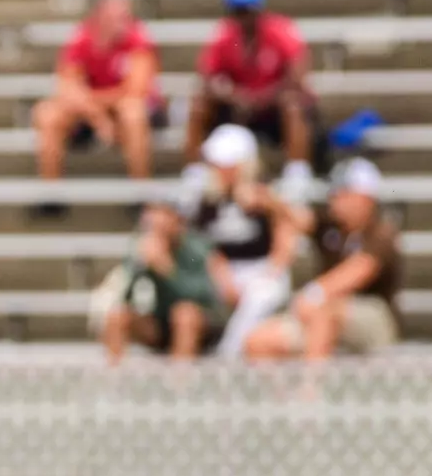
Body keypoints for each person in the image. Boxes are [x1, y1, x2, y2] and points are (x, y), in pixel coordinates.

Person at [244, 158, 403, 361]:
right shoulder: (331, 226)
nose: (335, 199)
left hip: (371, 315)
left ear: (365, 198)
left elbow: (357, 272)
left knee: (323, 313)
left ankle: (312, 380)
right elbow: (298, 219)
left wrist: (314, 294)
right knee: (260, 340)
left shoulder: (381, 232)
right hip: (321, 311)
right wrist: (269, 200)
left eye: (343, 193)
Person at [186, 0, 318, 200]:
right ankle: (194, 170)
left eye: (246, 11)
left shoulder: (280, 30)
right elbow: (207, 76)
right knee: (199, 104)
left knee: (293, 104)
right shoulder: (225, 34)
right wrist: (235, 96)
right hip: (237, 107)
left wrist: (265, 96)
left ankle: (297, 170)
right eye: (237, 12)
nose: (243, 18)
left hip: (273, 106)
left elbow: (297, 73)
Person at [189, 124, 298, 358]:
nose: (217, 168)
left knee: (262, 293)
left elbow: (299, 224)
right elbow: (203, 246)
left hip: (263, 268)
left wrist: (270, 203)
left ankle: (228, 354)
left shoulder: (265, 190)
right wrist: (222, 274)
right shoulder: (208, 197)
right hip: (224, 272)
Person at [33, 0, 162, 186]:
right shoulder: (82, 38)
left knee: (132, 112)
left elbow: (136, 90)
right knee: (46, 114)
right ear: (100, 17)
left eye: (125, 16)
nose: (124, 22)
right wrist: (99, 119)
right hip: (92, 111)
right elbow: (68, 87)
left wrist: (93, 105)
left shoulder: (137, 38)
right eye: (117, 17)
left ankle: (141, 189)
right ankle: (50, 192)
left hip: (125, 108)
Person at [103, 194, 226, 363]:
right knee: (117, 316)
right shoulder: (143, 246)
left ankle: (179, 377)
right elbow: (125, 296)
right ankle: (114, 376)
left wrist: (167, 270)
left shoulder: (196, 249)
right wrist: (139, 265)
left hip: (197, 324)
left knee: (184, 314)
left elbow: (204, 295)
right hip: (160, 323)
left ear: (177, 220)